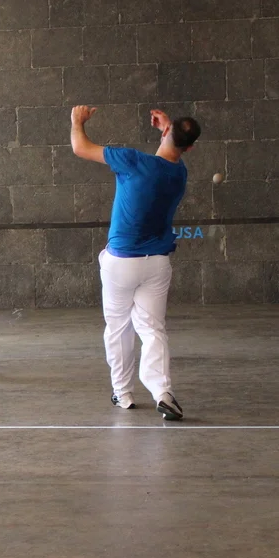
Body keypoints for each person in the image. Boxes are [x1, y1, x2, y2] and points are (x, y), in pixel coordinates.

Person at [70, 105, 201, 421]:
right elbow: (168, 157)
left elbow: (80, 147)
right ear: (190, 148)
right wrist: (169, 128)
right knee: (152, 328)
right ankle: (162, 392)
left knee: (118, 327)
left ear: (167, 133)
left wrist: (77, 121)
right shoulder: (179, 174)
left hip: (121, 263)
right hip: (157, 264)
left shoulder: (131, 160)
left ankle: (123, 393)